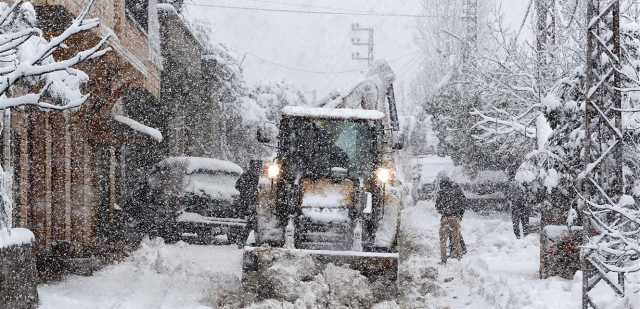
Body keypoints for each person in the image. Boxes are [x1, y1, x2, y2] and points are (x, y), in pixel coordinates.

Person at [435, 174, 466, 264]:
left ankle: (443, 259)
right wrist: (459, 215)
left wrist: (444, 211)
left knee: (443, 241)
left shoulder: (441, 192)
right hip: (455, 218)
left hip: (445, 218)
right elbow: (463, 202)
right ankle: (459, 257)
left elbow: (437, 207)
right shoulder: (456, 190)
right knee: (456, 239)